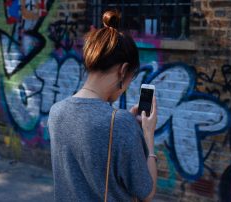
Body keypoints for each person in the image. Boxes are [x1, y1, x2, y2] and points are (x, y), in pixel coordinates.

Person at [47, 10, 157, 202]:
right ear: (123, 71)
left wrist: (128, 129)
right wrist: (147, 134)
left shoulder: (56, 112)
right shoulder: (121, 124)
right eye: (131, 79)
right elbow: (146, 192)